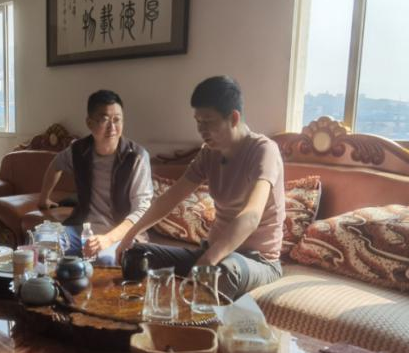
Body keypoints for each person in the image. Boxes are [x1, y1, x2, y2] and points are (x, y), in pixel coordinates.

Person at [115, 76, 285, 299]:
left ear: (234, 118)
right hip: (213, 253)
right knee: (136, 254)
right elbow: (170, 198)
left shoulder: (263, 151)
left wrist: (207, 261)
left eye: (208, 122)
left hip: (255, 261)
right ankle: (137, 317)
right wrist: (130, 234)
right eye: (198, 122)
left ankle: (185, 321)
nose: (201, 130)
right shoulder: (209, 153)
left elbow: (251, 216)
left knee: (222, 272)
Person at [38, 89, 153, 265]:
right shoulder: (79, 150)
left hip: (120, 234)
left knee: (105, 259)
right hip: (82, 230)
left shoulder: (136, 157)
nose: (112, 127)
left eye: (117, 119)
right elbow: (56, 165)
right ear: (90, 123)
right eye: (104, 119)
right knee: (43, 241)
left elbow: (142, 209)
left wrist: (108, 238)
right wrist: (44, 198)